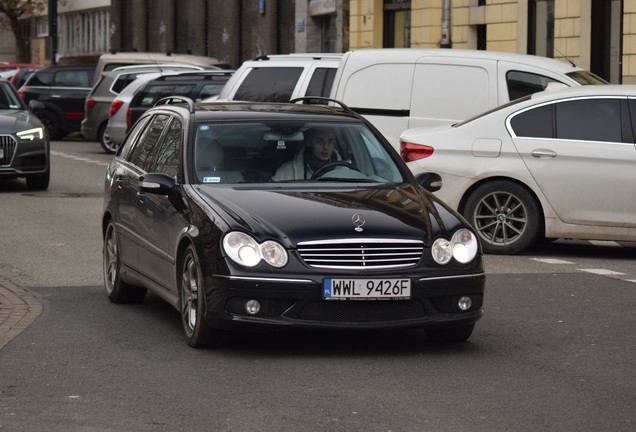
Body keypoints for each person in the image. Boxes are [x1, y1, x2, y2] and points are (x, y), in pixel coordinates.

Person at [271, 127, 337, 180]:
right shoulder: (285, 172)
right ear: (309, 143)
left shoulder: (345, 170)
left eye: (330, 141)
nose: (326, 146)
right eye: (319, 141)